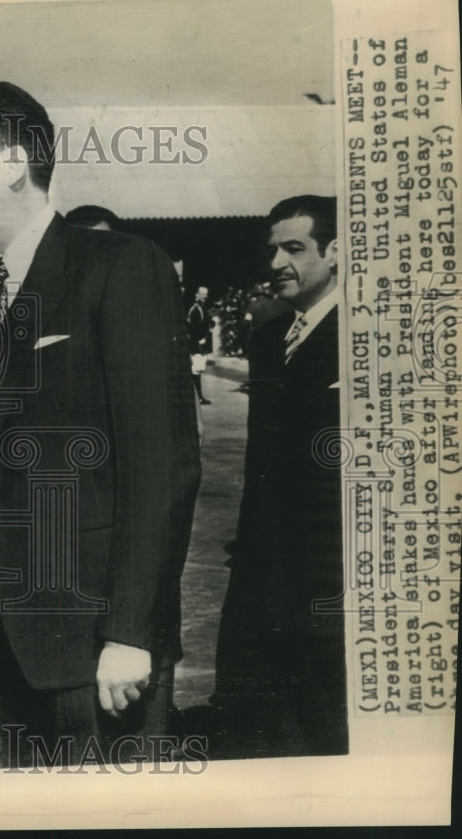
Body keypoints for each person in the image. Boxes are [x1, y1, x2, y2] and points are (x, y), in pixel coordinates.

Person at [0, 82, 201, 767]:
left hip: (90, 655)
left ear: (13, 161)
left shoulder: (121, 268)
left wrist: (130, 634)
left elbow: (160, 467)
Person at [211, 194, 345, 758]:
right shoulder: (269, 340)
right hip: (262, 569)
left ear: (335, 252)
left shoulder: (364, 337)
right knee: (260, 722)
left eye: (294, 248)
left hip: (327, 577)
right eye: (273, 250)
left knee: (324, 721)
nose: (276, 264)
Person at [186, 286, 214, 404]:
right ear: (197, 294)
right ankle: (198, 398)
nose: (205, 296)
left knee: (197, 371)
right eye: (203, 294)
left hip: (200, 344)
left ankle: (198, 397)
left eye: (206, 294)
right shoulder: (196, 309)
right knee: (195, 371)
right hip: (197, 345)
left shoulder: (201, 308)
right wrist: (198, 342)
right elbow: (192, 328)